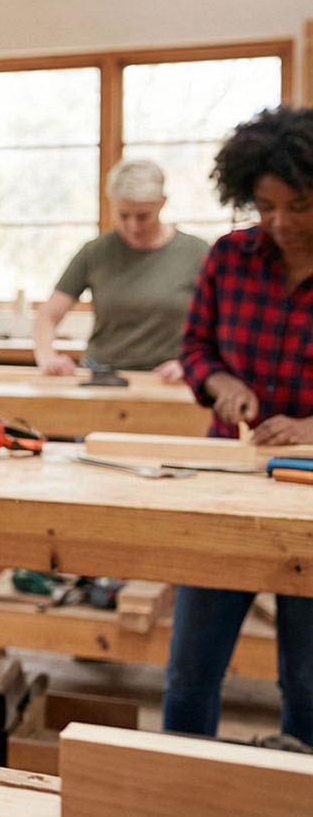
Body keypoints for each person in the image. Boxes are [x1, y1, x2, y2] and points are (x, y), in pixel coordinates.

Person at [164, 105, 313, 744]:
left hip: (307, 494)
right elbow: (196, 348)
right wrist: (222, 384)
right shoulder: (231, 257)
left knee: (307, 678)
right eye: (265, 205)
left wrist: (309, 428)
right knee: (190, 670)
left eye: (299, 205)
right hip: (226, 479)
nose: (279, 222)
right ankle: (179, 788)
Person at [31, 159, 208, 380]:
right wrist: (47, 358)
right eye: (123, 215)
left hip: (169, 380)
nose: (133, 226)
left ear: (162, 203)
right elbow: (47, 315)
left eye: (143, 216)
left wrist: (192, 363)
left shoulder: (197, 253)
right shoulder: (95, 252)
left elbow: (221, 323)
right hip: (102, 378)